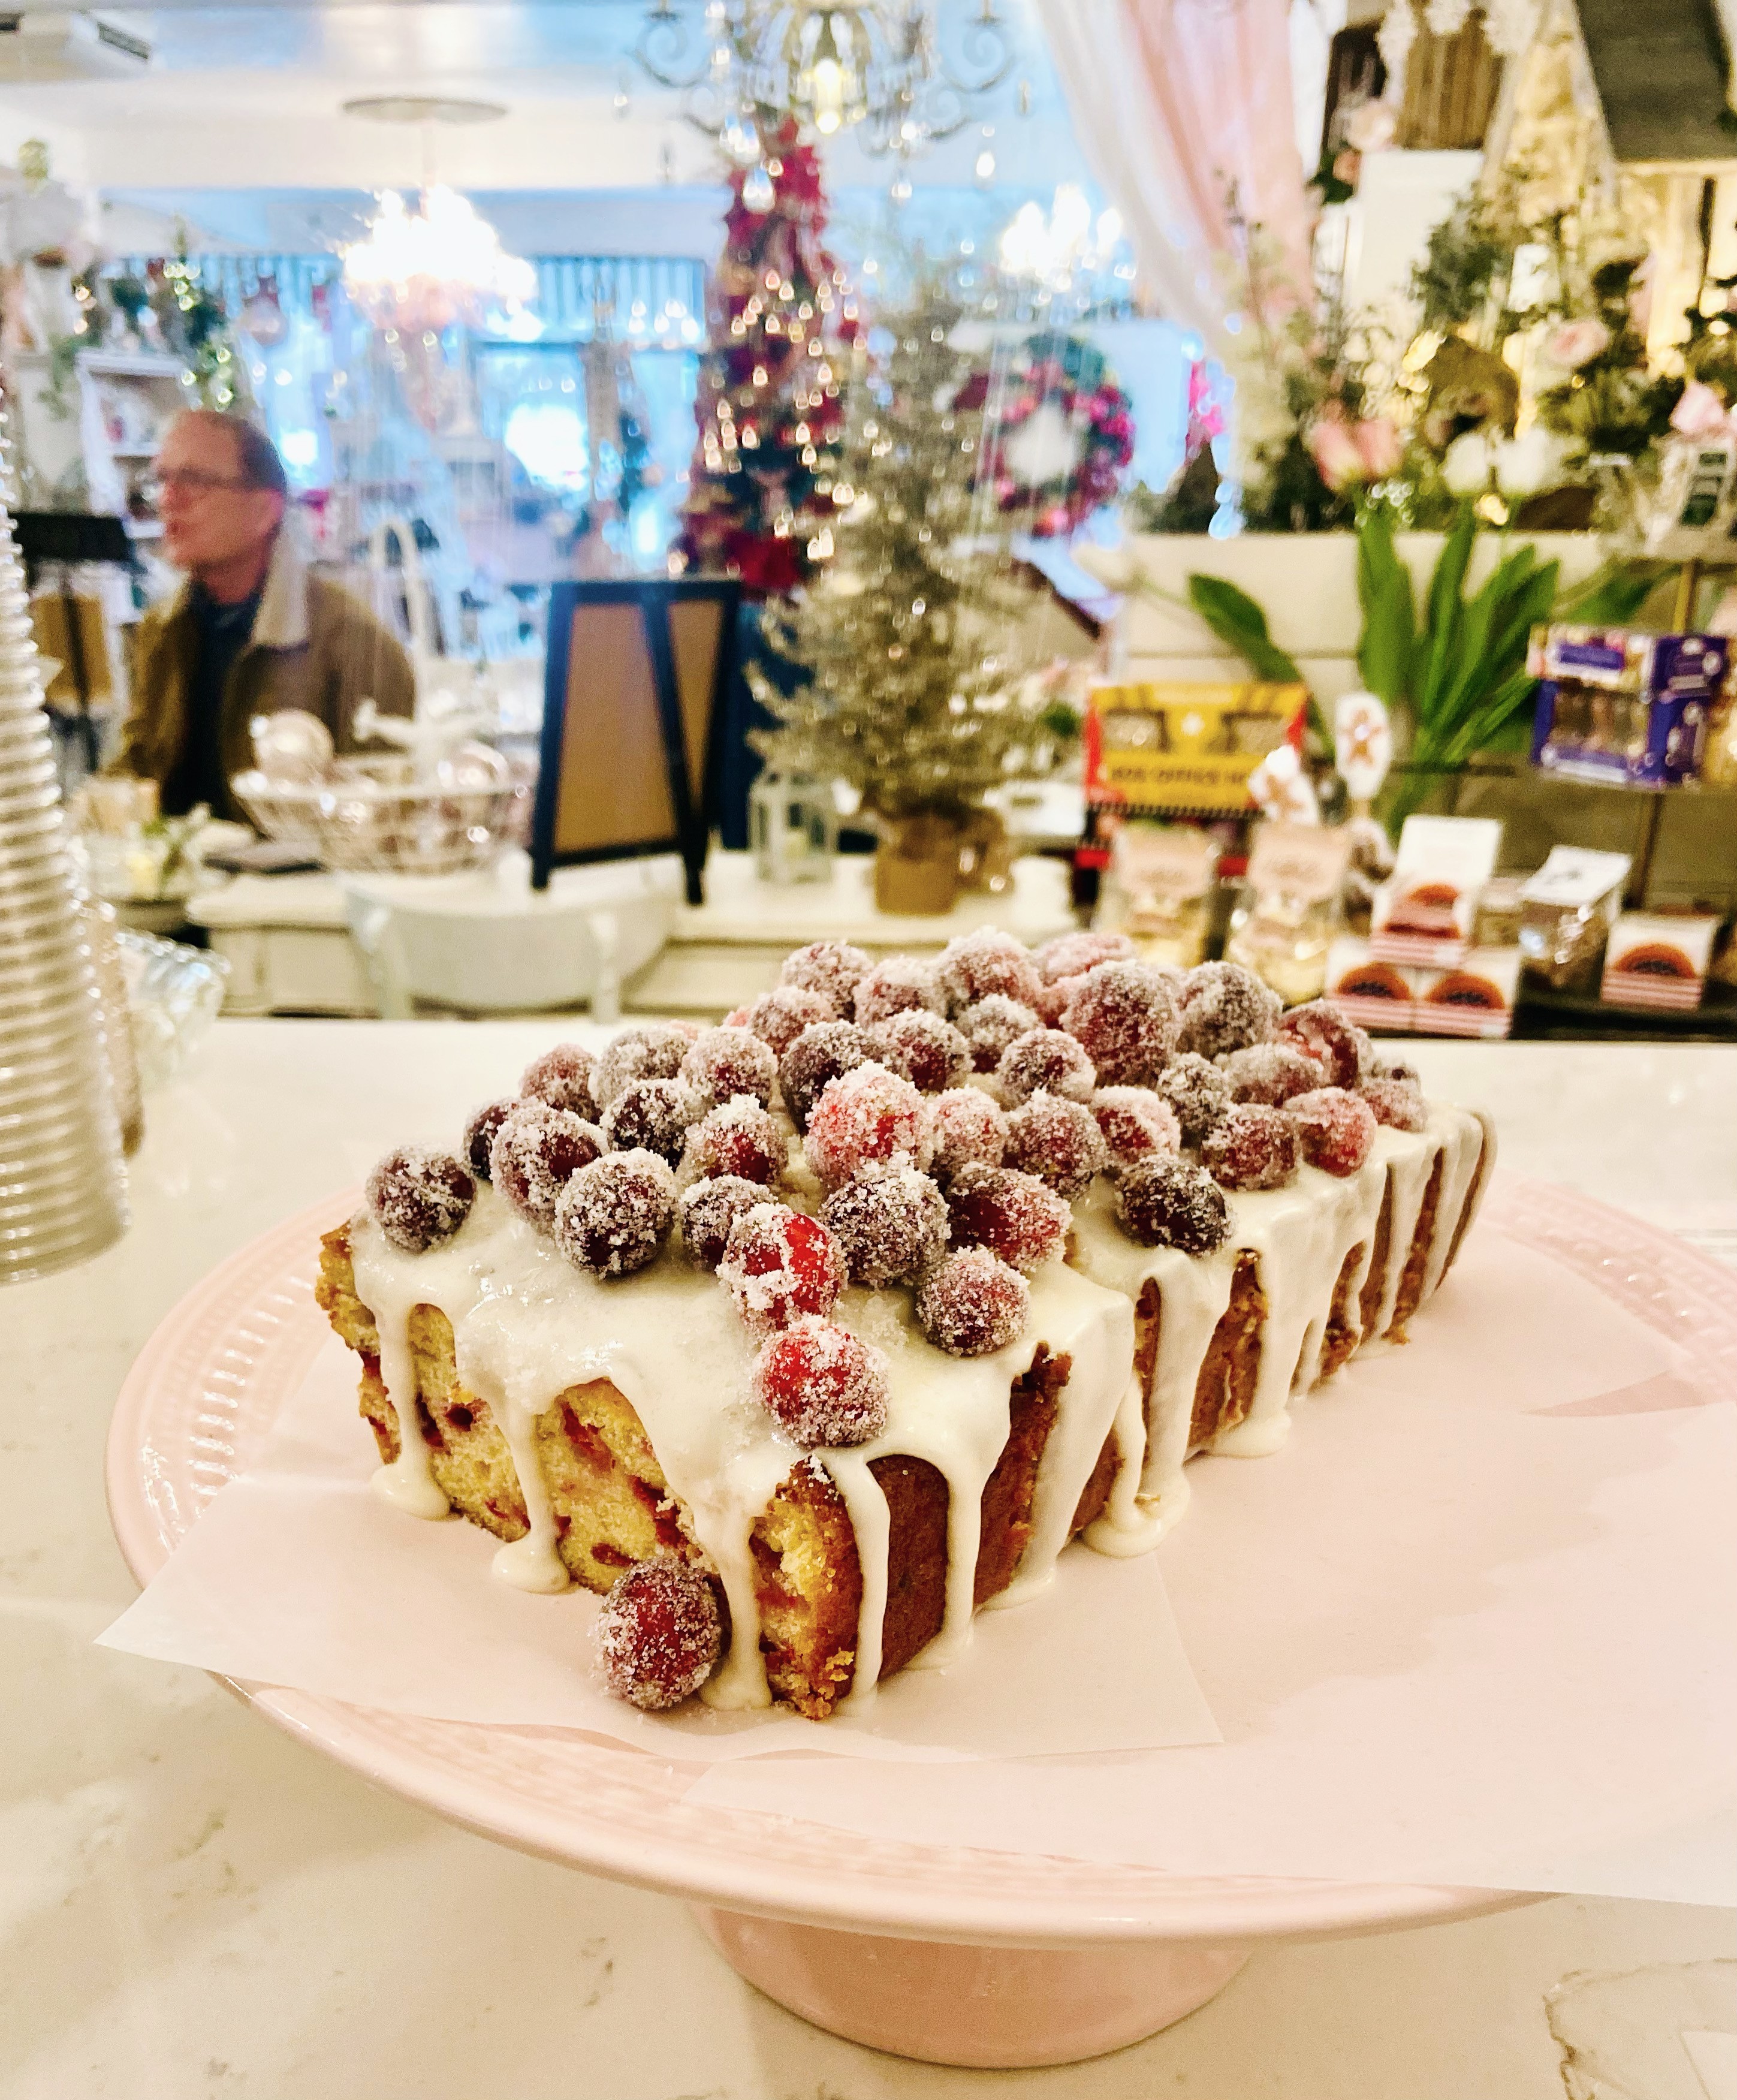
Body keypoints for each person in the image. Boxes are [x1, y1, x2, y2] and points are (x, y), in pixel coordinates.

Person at [114, 409, 415, 819]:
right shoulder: (164, 627)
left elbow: (387, 805)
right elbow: (137, 766)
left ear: (265, 510)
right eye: (162, 480)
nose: (169, 499)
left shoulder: (350, 639)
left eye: (195, 481)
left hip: (304, 879)